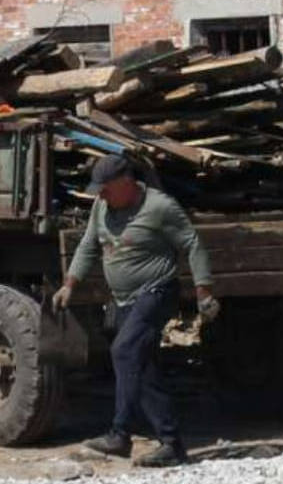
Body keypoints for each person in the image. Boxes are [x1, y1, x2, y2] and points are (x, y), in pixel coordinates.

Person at [52, 154, 218, 466]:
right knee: (142, 365)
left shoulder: (159, 207)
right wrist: (69, 285)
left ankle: (119, 435)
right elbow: (89, 245)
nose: (99, 195)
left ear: (127, 183)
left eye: (105, 189)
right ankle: (172, 444)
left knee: (124, 351)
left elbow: (192, 244)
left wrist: (204, 292)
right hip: (125, 299)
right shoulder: (102, 207)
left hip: (157, 291)